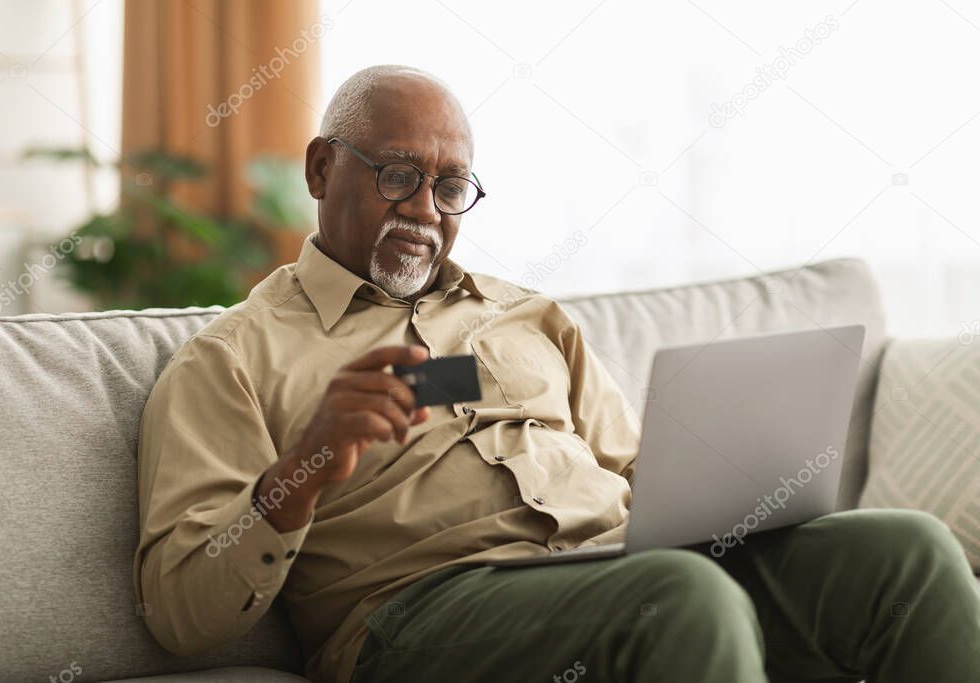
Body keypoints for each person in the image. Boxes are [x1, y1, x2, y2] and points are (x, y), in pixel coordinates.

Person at [134, 65, 980, 683]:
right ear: (323, 169)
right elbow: (181, 613)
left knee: (905, 551)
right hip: (419, 614)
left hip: (618, 565)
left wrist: (737, 487)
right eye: (397, 175)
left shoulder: (527, 315)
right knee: (677, 594)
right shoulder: (231, 358)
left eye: (451, 186)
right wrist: (308, 463)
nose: (426, 211)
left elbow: (641, 475)